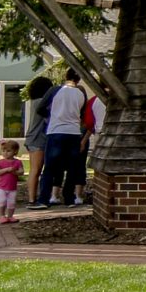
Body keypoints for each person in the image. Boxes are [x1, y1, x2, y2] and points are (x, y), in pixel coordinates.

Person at [41, 68, 91, 209]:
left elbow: (40, 108)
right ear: (79, 79)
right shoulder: (81, 94)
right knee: (72, 167)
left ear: (65, 76)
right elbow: (82, 113)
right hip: (74, 132)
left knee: (50, 167)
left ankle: (44, 199)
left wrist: (51, 116)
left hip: (56, 130)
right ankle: (69, 198)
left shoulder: (55, 90)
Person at [21, 74, 54, 208]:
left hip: (33, 138)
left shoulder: (34, 102)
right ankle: (32, 199)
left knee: (35, 169)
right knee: (36, 170)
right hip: (37, 139)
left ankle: (33, 198)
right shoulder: (41, 103)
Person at [0, 144, 24, 225]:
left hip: (12, 187)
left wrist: (14, 172)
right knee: (2, 201)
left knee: (11, 202)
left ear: (15, 152)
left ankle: (10, 216)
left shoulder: (17, 162)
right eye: (3, 151)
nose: (5, 153)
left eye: (8, 151)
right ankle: (2, 216)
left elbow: (21, 172)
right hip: (1, 187)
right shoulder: (0, 162)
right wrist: (6, 169)